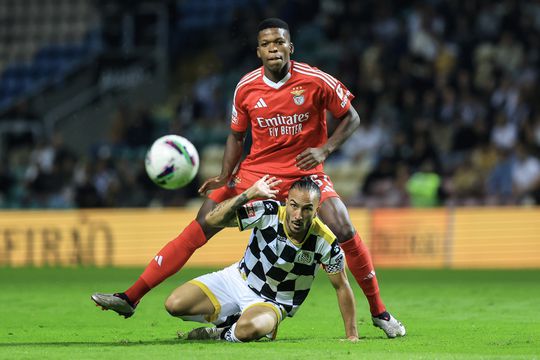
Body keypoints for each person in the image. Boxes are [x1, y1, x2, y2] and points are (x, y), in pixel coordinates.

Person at [92, 18, 405, 338]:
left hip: (304, 173)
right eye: (267, 44)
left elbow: (351, 118)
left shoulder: (315, 80)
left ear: (290, 48)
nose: (274, 48)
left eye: (280, 42)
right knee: (203, 223)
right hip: (256, 172)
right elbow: (236, 137)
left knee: (343, 227)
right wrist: (226, 175)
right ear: (258, 51)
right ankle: (131, 297)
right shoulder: (246, 87)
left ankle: (379, 311)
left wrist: (325, 150)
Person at [166, 176, 358, 342]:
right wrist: (249, 193)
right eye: (294, 205)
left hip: (273, 302)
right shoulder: (269, 212)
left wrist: (352, 336)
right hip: (237, 279)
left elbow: (341, 286)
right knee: (174, 304)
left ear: (316, 211)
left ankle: (221, 332)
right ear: (287, 202)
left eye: (307, 209)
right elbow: (213, 219)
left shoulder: (325, 242)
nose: (298, 215)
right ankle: (233, 320)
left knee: (248, 330)